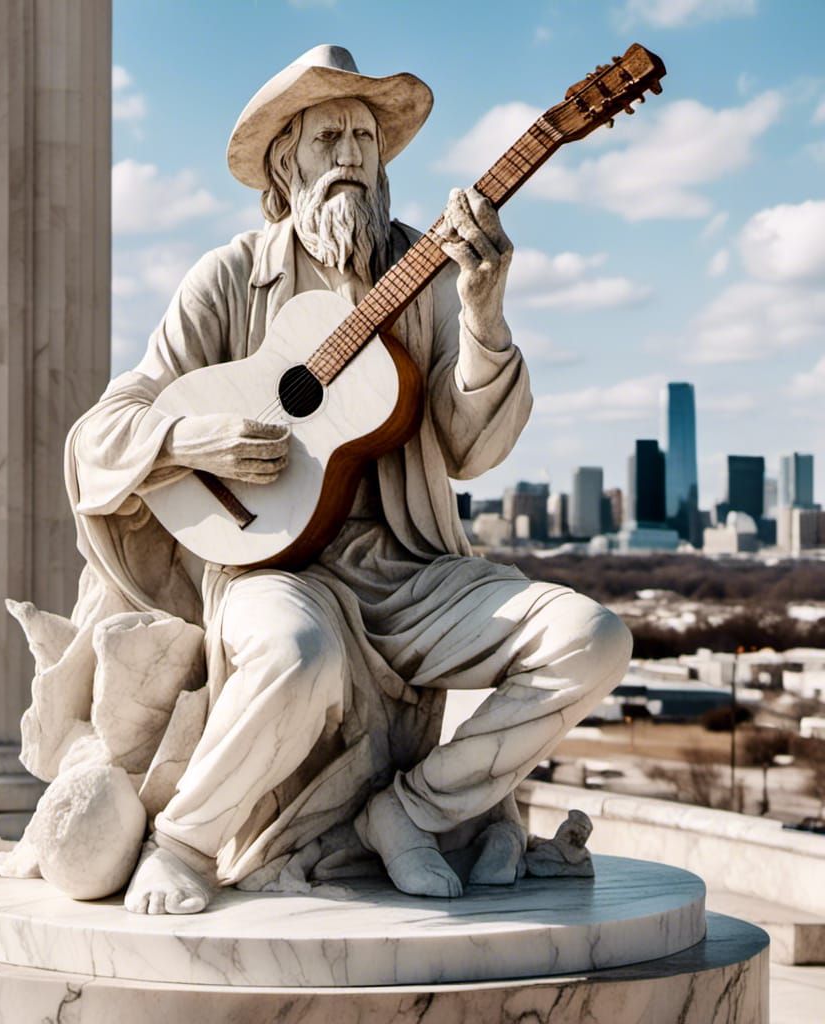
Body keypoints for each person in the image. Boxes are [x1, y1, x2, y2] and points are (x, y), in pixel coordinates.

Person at [65, 45, 632, 915]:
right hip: (273, 566)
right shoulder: (229, 277)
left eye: (365, 139)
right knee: (298, 653)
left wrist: (484, 317)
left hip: (414, 572)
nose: (350, 157)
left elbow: (473, 450)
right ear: (285, 162)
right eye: (328, 138)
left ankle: (412, 813)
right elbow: (103, 431)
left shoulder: (429, 274)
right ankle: (184, 843)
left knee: (592, 638)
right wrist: (190, 438)